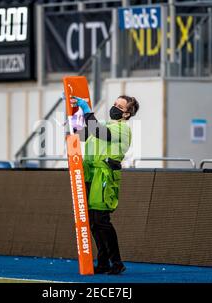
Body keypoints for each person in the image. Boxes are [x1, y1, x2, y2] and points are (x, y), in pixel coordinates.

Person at [70, 95, 139, 275]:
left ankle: (116, 262)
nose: (114, 107)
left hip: (106, 175)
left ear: (127, 114)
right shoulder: (105, 125)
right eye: (115, 104)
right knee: (93, 222)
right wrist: (72, 113)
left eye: (120, 106)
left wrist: (87, 110)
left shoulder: (122, 129)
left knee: (101, 220)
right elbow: (79, 133)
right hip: (93, 175)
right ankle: (103, 263)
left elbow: (99, 132)